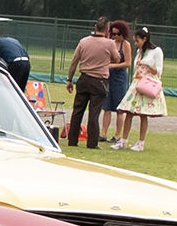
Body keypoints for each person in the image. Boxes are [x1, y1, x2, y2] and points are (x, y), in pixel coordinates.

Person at [65, 17, 120, 150]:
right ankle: (92, 143)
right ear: (107, 29)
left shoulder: (83, 41)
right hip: (99, 81)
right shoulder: (109, 44)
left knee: (77, 111)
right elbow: (117, 60)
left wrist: (69, 80)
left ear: (95, 27)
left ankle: (72, 140)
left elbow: (74, 61)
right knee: (94, 113)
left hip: (84, 79)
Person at [112, 26, 166, 151]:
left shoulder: (156, 51)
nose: (136, 44)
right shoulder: (139, 52)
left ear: (145, 39)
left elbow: (159, 71)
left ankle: (141, 142)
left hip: (147, 84)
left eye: (138, 41)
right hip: (137, 83)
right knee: (129, 112)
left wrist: (147, 65)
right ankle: (123, 141)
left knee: (143, 114)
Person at [99, 20, 132, 142]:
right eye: (113, 34)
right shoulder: (111, 43)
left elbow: (127, 63)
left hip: (119, 78)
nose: (116, 36)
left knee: (119, 109)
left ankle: (117, 135)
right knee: (107, 107)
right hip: (108, 77)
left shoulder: (126, 45)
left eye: (118, 34)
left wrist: (113, 66)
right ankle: (103, 133)